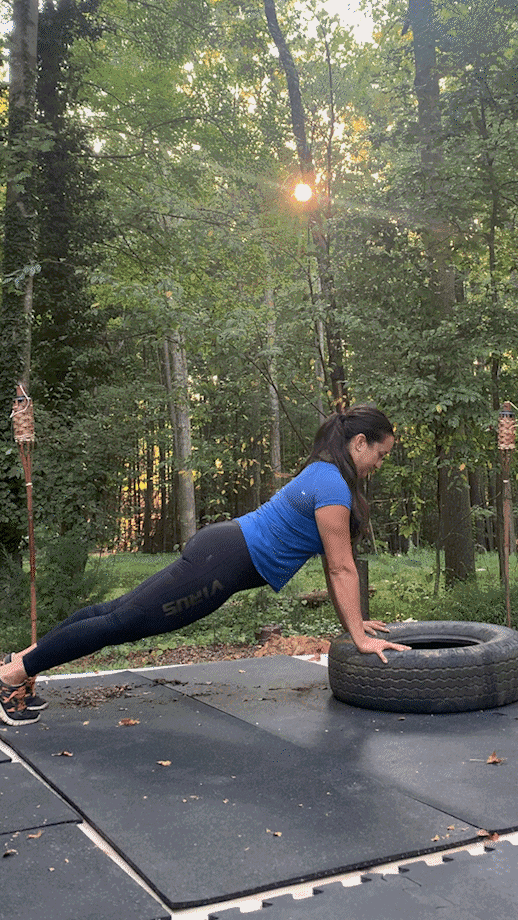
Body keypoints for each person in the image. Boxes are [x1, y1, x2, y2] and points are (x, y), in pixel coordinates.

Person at [0, 404, 410, 725]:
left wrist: (354, 625)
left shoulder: (324, 474)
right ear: (360, 442)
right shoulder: (333, 485)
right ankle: (12, 677)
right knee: (121, 622)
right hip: (222, 563)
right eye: (381, 454)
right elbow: (341, 568)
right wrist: (360, 638)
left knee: (113, 612)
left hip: (223, 550)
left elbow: (333, 566)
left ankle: (18, 662)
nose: (379, 464)